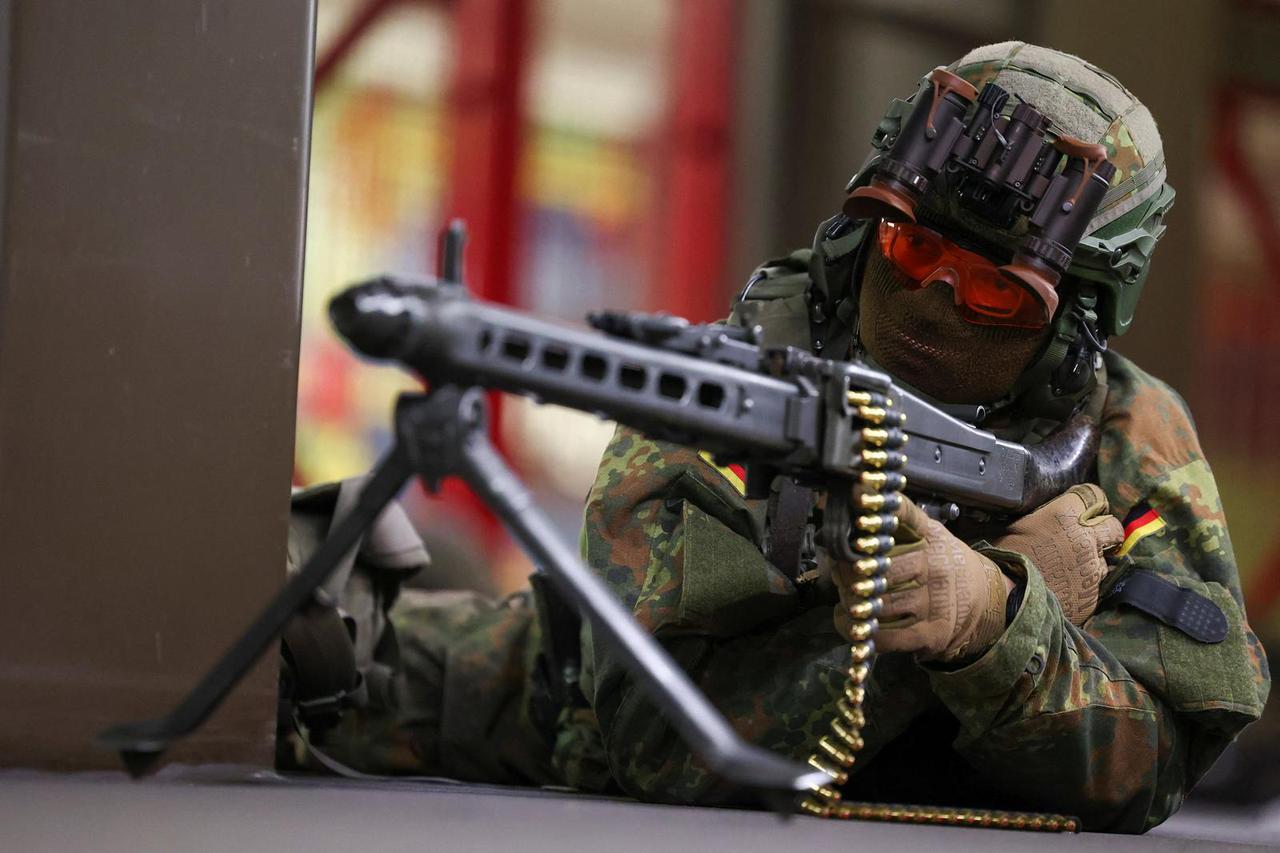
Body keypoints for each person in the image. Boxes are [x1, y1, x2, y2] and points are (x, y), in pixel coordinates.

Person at [285, 43, 1269, 833]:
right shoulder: (735, 386)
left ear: (1076, 324)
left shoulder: (1125, 437)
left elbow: (1154, 771)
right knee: (302, 650)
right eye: (912, 245)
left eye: (992, 291)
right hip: (538, 710)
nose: (932, 298)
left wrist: (989, 622)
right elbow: (663, 751)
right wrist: (940, 630)